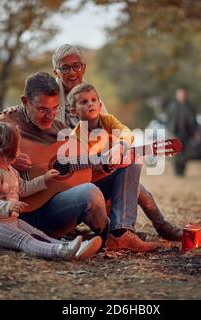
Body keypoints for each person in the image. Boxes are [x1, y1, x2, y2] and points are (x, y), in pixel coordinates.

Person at [0, 72, 158, 252]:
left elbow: (79, 171)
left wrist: (103, 165)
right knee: (90, 192)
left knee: (130, 162)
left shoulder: (58, 128)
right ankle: (104, 234)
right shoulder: (4, 123)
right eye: (43, 110)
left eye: (55, 109)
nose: (51, 117)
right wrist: (7, 160)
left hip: (61, 203)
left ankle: (120, 233)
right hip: (25, 214)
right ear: (25, 102)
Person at [51, 44, 182, 241]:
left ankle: (131, 230)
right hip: (63, 182)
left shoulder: (91, 97)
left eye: (76, 66)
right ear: (56, 72)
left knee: (130, 171)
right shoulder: (50, 96)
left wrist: (118, 148)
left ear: (83, 68)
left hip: (90, 170)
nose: (72, 72)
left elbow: (114, 132)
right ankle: (152, 227)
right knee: (132, 184)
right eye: (65, 68)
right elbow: (30, 110)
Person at [0, 121, 102, 260]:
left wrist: (44, 179)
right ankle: (59, 251)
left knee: (37, 233)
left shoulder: (10, 170)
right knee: (24, 239)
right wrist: (7, 206)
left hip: (9, 220)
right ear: (6, 151)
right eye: (18, 148)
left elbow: (23, 188)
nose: (20, 152)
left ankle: (72, 247)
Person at [167, 88, 198, 176]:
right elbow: (168, 120)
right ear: (177, 96)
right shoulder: (173, 106)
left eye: (183, 95)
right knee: (177, 153)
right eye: (180, 95)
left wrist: (194, 131)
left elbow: (194, 120)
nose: (182, 97)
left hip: (187, 133)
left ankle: (182, 170)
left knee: (186, 153)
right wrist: (170, 130)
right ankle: (177, 171)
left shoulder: (190, 107)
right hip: (175, 133)